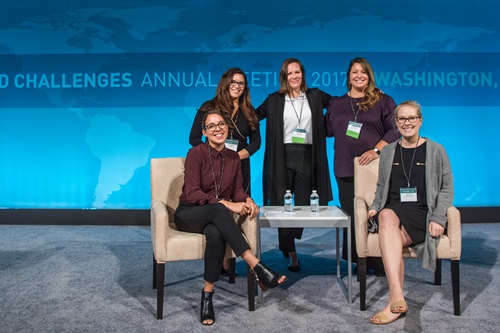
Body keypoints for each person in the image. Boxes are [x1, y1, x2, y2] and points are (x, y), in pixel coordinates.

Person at [175, 111, 286, 326]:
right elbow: (193, 193)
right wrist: (226, 203)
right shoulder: (195, 153)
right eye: (212, 126)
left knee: (216, 234)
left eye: (221, 124)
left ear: (227, 128)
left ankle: (207, 295)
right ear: (204, 132)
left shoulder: (234, 157)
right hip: (189, 213)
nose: (218, 129)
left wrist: (247, 199)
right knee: (219, 209)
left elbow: (236, 190)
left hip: (214, 217)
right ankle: (256, 266)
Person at [367, 100, 454, 325]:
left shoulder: (436, 150)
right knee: (385, 215)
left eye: (411, 118)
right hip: (394, 210)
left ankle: (394, 301)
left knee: (390, 235)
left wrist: (438, 218)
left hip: (423, 213)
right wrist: (376, 206)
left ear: (420, 120)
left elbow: (447, 188)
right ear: (396, 123)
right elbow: (381, 185)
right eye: (402, 119)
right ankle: (397, 296)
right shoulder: (388, 152)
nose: (407, 123)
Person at [325, 57, 400, 275]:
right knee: (352, 214)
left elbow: (395, 130)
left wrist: (376, 150)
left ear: (369, 75)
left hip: (374, 167)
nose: (359, 75)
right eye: (355, 71)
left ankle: (380, 258)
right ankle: (359, 259)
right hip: (345, 167)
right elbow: (327, 130)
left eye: (363, 72)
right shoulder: (337, 103)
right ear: (348, 76)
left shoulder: (383, 100)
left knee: (376, 211)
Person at [256, 58, 333, 272]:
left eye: (297, 72)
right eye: (289, 73)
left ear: (303, 74)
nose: (294, 76)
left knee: (301, 203)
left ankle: (288, 240)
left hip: (308, 155)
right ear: (284, 76)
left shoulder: (315, 96)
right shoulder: (274, 99)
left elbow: (343, 105)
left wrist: (370, 95)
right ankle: (291, 252)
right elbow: (253, 117)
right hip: (282, 156)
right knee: (283, 205)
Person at [189, 68, 261, 276]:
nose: (237, 86)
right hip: (211, 169)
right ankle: (221, 259)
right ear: (225, 84)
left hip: (239, 165)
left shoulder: (249, 110)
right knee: (218, 208)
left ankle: (229, 260)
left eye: (241, 83)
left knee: (238, 207)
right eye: (233, 83)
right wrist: (214, 155)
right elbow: (194, 138)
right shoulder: (209, 107)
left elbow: (257, 141)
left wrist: (237, 157)